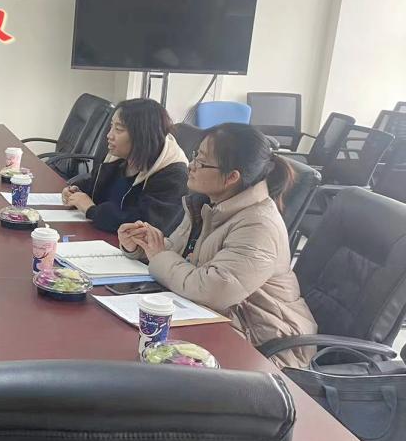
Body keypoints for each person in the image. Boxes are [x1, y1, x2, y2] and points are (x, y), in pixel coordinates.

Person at [119, 123, 317, 368]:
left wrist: (159, 255)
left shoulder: (259, 226)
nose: (191, 165)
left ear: (232, 177)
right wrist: (142, 246)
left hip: (263, 346)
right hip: (216, 321)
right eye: (195, 156)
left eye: (201, 162)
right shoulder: (209, 203)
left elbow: (211, 290)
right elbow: (178, 253)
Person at [62, 98, 188, 234]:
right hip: (104, 237)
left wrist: (91, 210)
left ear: (142, 135)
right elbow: (96, 184)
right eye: (111, 126)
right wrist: (77, 191)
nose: (109, 135)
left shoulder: (173, 175)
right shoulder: (121, 158)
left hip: (130, 246)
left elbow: (144, 226)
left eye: (118, 129)